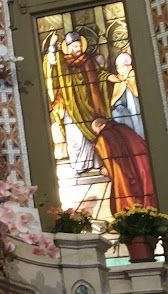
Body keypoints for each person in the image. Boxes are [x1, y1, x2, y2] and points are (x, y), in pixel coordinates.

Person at [45, 29, 155, 213]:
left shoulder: (88, 61)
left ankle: (96, 164)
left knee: (94, 138)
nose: (77, 48)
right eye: (73, 46)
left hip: (90, 105)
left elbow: (99, 75)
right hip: (73, 106)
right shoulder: (63, 63)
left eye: (79, 45)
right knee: (76, 137)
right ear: (68, 47)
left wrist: (109, 77)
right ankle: (80, 166)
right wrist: (51, 46)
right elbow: (51, 64)